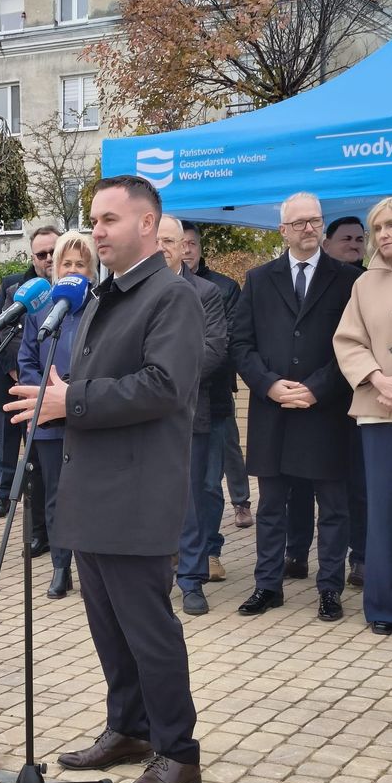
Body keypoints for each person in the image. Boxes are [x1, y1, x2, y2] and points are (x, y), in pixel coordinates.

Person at [6, 175, 205, 783]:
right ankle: (130, 727)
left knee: (148, 627)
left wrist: (73, 398)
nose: (97, 231)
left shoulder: (171, 297)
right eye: (94, 219)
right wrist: (63, 390)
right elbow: (94, 382)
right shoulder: (99, 297)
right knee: (107, 625)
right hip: (92, 484)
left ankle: (178, 752)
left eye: (110, 219)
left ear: (148, 224)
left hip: (138, 489)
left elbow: (164, 386)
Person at [231, 192, 360, 622]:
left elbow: (353, 347)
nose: (309, 228)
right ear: (283, 230)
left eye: (315, 220)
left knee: (333, 508)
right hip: (274, 412)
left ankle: (329, 590)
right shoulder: (259, 279)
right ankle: (267, 585)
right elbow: (241, 345)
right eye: (299, 222)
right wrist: (268, 386)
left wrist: (316, 388)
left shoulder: (346, 280)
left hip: (324, 411)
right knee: (270, 507)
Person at [285, 216, 368, 587]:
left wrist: (320, 385)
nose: (356, 244)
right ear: (329, 242)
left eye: (360, 239)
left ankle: (359, 558)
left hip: (345, 402)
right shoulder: (285, 277)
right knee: (298, 487)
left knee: (351, 489)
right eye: (347, 238)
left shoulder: (360, 282)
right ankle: (297, 553)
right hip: (291, 400)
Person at [18, 231, 98, 598]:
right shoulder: (42, 310)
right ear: (55, 268)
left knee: (89, 494)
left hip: (89, 415)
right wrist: (47, 397)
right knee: (55, 496)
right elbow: (27, 362)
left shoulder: (101, 307)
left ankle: (90, 569)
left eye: (81, 264)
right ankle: (60, 567)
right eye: (67, 263)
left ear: (92, 270)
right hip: (49, 418)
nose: (74, 269)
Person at [157, 216, 226, 615]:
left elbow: (214, 349)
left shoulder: (206, 293)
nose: (164, 247)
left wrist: (162, 377)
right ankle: (158, 577)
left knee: (191, 501)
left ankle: (192, 580)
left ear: (185, 247)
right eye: (159, 240)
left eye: (172, 241)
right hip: (144, 416)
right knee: (153, 499)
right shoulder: (135, 291)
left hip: (190, 413)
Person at [334, 197, 392, 635]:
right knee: (383, 512)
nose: (385, 234)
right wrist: (377, 377)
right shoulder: (364, 286)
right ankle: (383, 606)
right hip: (379, 412)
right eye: (380, 227)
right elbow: (348, 341)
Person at [181, 221, 252, 589]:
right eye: (182, 243)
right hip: (170, 407)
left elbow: (223, 347)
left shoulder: (222, 289)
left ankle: (210, 551)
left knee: (209, 485)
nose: (186, 249)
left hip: (214, 401)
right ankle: (180, 554)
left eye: (191, 243)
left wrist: (175, 375)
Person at [0, 227, 57, 557]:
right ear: (33, 257)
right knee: (7, 441)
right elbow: (1, 331)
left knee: (39, 454)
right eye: (42, 254)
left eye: (54, 251)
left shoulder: (74, 285)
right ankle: (3, 492)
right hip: (14, 379)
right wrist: (17, 372)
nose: (49, 259)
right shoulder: (15, 285)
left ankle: (45, 518)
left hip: (53, 387)